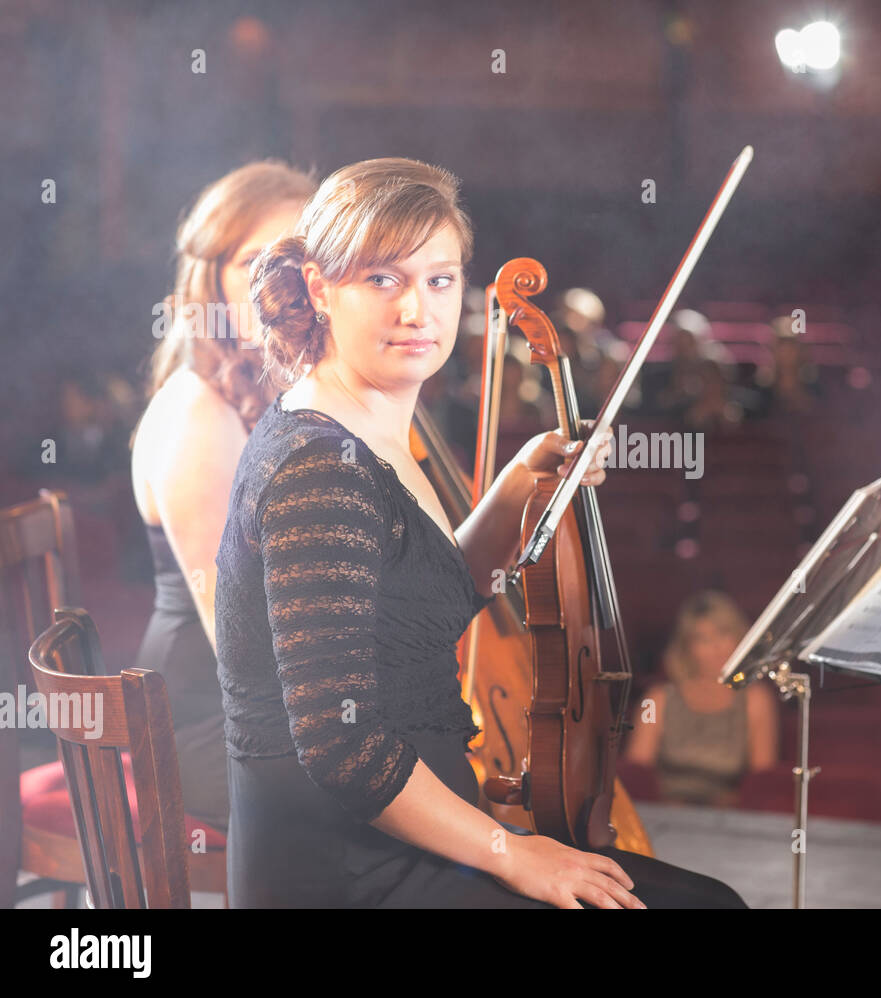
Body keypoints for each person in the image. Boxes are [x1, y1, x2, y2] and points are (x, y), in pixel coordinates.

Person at [216, 157, 747, 908]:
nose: (417, 311)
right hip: (344, 867)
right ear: (320, 289)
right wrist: (512, 854)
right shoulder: (318, 469)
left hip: (413, 833)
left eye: (438, 280)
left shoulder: (370, 433)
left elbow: (414, 615)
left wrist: (518, 486)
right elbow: (341, 747)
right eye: (382, 279)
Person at [129, 160, 315, 833]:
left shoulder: (291, 398)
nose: (284, 287)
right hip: (216, 725)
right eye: (255, 264)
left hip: (283, 702)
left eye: (301, 261)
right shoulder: (196, 413)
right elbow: (244, 644)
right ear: (210, 284)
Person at [625, 591, 779, 806]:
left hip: (728, 819)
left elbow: (762, 779)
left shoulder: (757, 700)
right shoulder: (655, 700)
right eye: (703, 639)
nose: (716, 647)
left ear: (739, 638)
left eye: (722, 634)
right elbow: (636, 772)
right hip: (663, 813)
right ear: (686, 648)